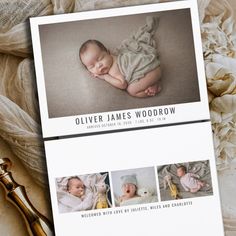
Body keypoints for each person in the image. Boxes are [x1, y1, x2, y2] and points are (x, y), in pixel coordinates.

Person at [79, 16, 162, 98]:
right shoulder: (114, 56)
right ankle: (151, 83)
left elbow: (122, 84)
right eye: (92, 66)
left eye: (100, 58)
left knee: (131, 90)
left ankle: (156, 86)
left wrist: (105, 77)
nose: (98, 65)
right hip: (150, 67)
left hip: (151, 70)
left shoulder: (113, 69)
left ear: (108, 52)